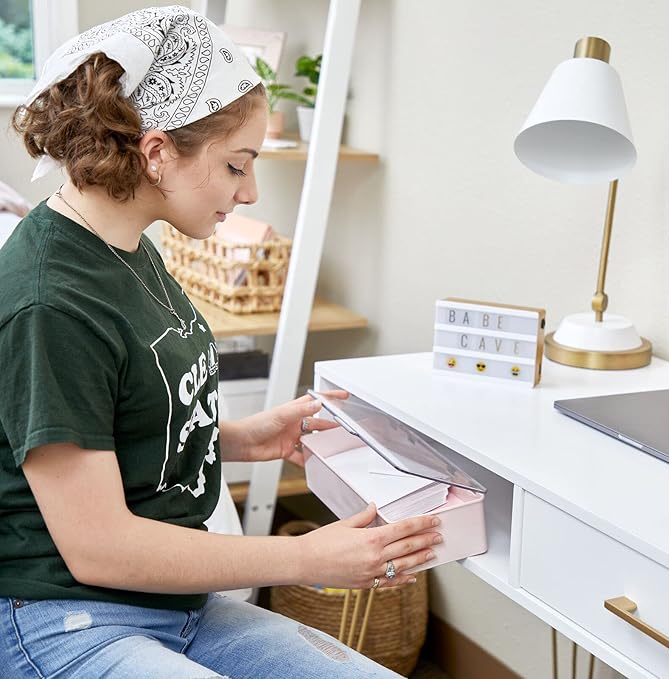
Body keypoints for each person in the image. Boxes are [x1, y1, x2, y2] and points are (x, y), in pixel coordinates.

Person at [0, 7, 442, 678]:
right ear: (155, 154)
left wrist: (236, 435)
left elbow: (114, 414)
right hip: (66, 617)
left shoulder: (125, 246)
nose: (251, 189)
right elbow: (98, 547)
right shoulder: (51, 300)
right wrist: (306, 557)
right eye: (237, 165)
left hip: (175, 606)